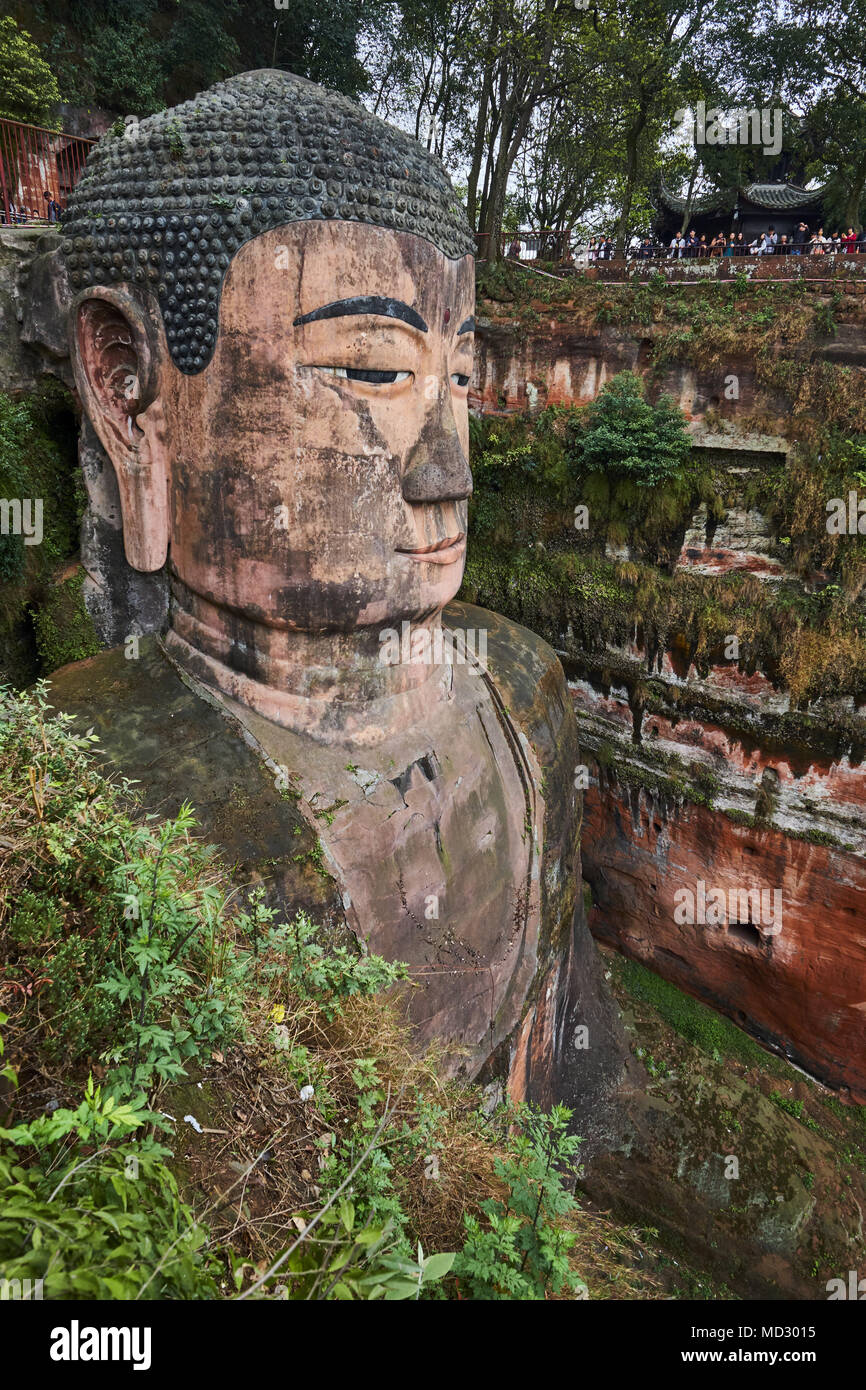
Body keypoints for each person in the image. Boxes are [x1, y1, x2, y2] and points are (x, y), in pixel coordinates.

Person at [52, 67, 627, 1104]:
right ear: (131, 390)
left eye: (458, 379)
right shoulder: (85, 827)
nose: (449, 470)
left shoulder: (522, 691)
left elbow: (570, 1082)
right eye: (370, 370)